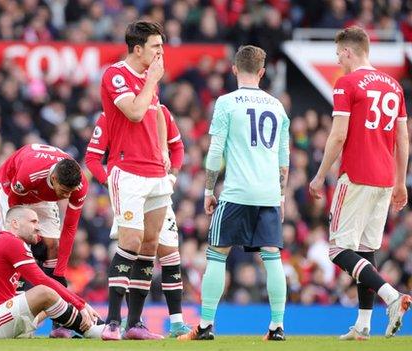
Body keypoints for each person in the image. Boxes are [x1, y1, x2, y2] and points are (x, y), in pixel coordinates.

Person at [179, 45, 290, 341]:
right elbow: (283, 158)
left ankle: (204, 326)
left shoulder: (227, 102)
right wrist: (280, 196)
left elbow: (215, 152)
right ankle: (277, 326)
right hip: (268, 194)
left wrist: (207, 189)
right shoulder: (277, 106)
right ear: (263, 72)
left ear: (234, 69)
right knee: (272, 257)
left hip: (237, 192)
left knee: (217, 254)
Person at [308, 26, 411, 340]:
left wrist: (320, 173)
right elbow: (403, 138)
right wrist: (400, 181)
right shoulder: (393, 86)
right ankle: (363, 325)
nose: (338, 59)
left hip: (355, 176)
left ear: (349, 51)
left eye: (338, 52)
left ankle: (392, 297)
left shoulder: (347, 83)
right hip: (383, 179)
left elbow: (338, 135)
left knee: (339, 250)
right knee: (365, 251)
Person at [85, 105, 190, 337]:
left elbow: (178, 146)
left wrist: (172, 176)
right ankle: (116, 321)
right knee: (131, 246)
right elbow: (92, 158)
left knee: (166, 251)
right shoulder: (111, 116)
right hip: (130, 187)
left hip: (158, 188)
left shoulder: (160, 111)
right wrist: (111, 186)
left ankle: (171, 323)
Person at [98, 20, 173, 340]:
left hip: (155, 171)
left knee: (150, 244)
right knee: (129, 241)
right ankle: (113, 321)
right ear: (138, 48)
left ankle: (135, 324)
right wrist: (152, 81)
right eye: (156, 46)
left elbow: (155, 113)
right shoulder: (115, 74)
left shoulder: (148, 79)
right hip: (127, 170)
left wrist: (164, 151)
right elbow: (134, 112)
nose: (161, 53)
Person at [0, 206, 103, 339]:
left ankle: (87, 325)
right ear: (15, 224)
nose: (38, 227)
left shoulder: (0, 242)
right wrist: (81, 304)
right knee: (44, 292)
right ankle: (90, 329)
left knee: (51, 300)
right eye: (33, 222)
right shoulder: (11, 242)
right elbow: (42, 280)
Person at [0, 143, 88, 337]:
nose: (66, 196)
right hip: (11, 187)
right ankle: (12, 306)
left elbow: (69, 228)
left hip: (42, 192)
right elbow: (16, 213)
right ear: (54, 178)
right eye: (64, 191)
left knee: (53, 245)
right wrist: (28, 237)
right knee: (15, 244)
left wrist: (60, 273)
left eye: (70, 192)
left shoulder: (79, 185)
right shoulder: (27, 174)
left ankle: (59, 322)